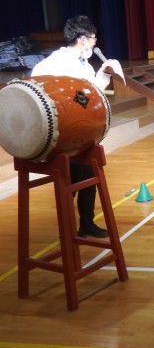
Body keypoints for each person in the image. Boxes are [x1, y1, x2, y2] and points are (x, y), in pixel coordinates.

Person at [31, 15, 119, 238]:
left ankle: (86, 223)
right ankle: (66, 228)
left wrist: (105, 74)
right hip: (64, 132)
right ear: (82, 39)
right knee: (69, 181)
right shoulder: (56, 62)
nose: (95, 43)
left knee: (88, 178)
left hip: (82, 130)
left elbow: (92, 91)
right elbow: (36, 81)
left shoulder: (83, 64)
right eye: (93, 38)